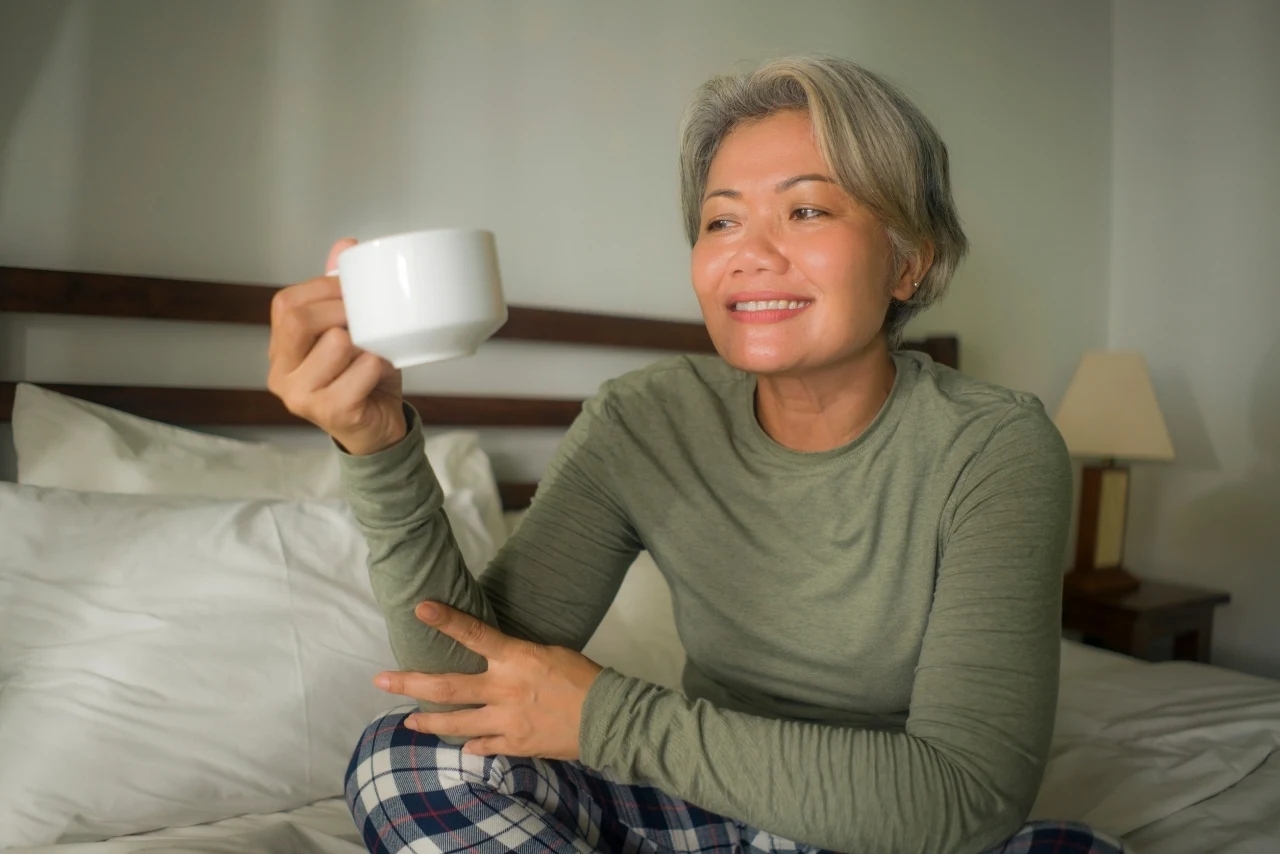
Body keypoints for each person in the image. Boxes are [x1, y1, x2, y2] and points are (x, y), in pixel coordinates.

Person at [268, 55, 1124, 854]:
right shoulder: (647, 421)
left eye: (808, 209)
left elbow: (966, 797)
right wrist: (377, 447)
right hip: (705, 812)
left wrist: (607, 715)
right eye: (721, 220)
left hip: (885, 827)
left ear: (910, 263)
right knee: (404, 758)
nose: (750, 254)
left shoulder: (994, 446)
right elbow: (467, 688)